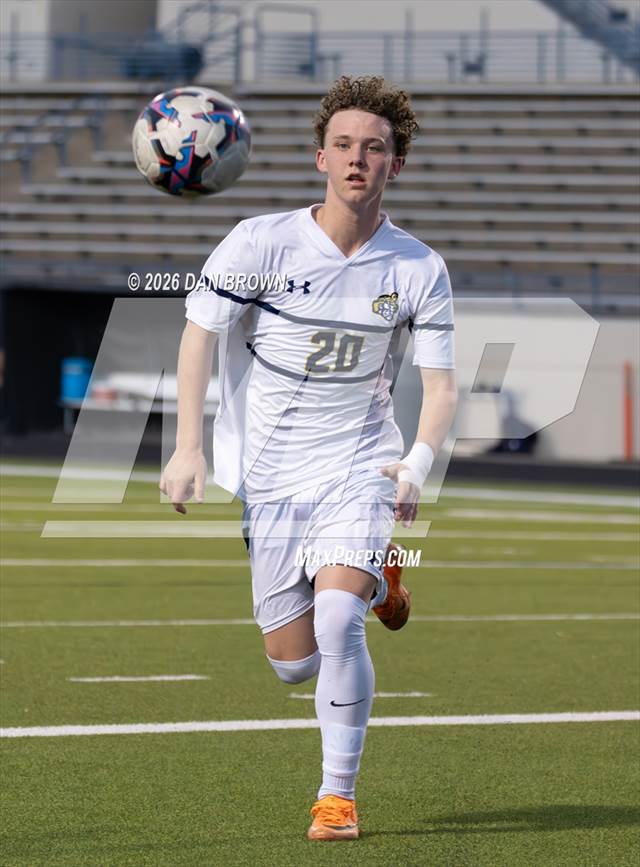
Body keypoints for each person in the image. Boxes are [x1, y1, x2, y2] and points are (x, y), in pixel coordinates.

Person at [159, 75, 458, 841]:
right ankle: (383, 586)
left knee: (336, 622)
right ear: (319, 156)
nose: (361, 159)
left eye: (378, 148)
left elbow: (442, 386)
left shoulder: (418, 268)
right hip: (271, 475)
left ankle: (337, 796)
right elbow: (198, 333)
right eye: (347, 145)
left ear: (398, 165)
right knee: (293, 662)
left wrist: (417, 464)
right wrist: (189, 445)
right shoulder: (261, 241)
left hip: (360, 463)